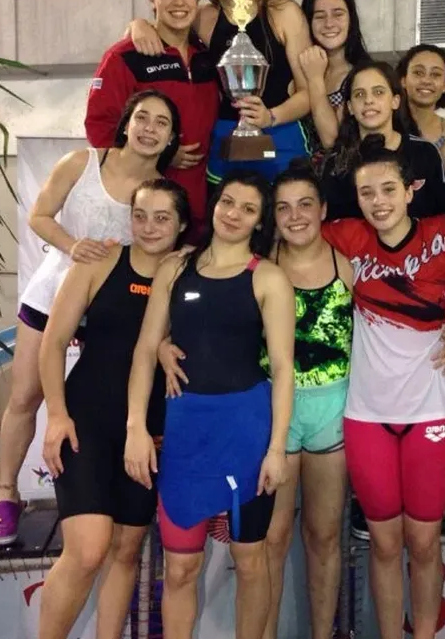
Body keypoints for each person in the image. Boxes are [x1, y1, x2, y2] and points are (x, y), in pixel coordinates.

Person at [0, 90, 180, 546]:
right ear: (126, 122)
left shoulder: (159, 191)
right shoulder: (81, 162)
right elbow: (39, 216)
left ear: (172, 137)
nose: (150, 129)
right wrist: (73, 246)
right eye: (143, 118)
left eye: (162, 123)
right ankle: (7, 494)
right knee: (26, 395)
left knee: (107, 398)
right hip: (55, 294)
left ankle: (105, 495)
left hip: (113, 310)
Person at [124, 170, 295, 639]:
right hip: (184, 434)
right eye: (227, 203)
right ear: (214, 205)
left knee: (250, 561)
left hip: (245, 430)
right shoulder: (175, 269)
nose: (233, 214)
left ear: (260, 222)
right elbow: (145, 349)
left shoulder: (269, 278)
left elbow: (283, 368)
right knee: (179, 568)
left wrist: (276, 448)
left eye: (248, 209)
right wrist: (136, 427)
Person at [37, 179, 189, 639]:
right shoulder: (101, 261)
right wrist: (58, 416)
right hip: (87, 420)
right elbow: (53, 343)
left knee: (125, 549)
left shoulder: (189, 271)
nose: (149, 226)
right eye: (140, 215)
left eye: (163, 217)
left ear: (181, 224)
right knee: (86, 551)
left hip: (150, 427)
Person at [320, 143, 445, 639]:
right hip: (366, 415)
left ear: (410, 190)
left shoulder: (444, 234)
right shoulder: (344, 235)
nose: (378, 201)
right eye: (365, 193)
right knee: (382, 544)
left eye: (387, 190)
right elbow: (283, 236)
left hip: (433, 413)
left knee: (423, 544)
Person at [130, 0, 313, 183]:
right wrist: (138, 25)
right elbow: (165, 22)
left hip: (279, 131)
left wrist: (270, 117)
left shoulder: (282, 12)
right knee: (227, 218)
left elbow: (309, 93)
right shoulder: (203, 19)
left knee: (281, 216)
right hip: (227, 138)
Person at [86, 0, 219, 237]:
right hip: (144, 216)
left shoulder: (208, 59)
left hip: (201, 211)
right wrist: (155, 153)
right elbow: (99, 128)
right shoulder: (124, 57)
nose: (178, 1)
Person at [321, 61, 445, 221]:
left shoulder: (425, 152)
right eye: (359, 94)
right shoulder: (337, 163)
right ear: (350, 107)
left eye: (378, 92)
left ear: (395, 101)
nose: (368, 101)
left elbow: (442, 216)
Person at [297, 0, 372, 162]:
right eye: (319, 16)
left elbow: (331, 141)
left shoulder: (363, 75)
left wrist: (315, 78)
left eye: (338, 14)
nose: (329, 23)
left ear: (351, 20)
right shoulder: (298, 71)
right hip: (300, 178)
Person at [397, 44, 445, 149]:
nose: (426, 81)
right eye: (418, 72)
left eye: (435, 74)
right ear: (403, 80)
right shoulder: (387, 127)